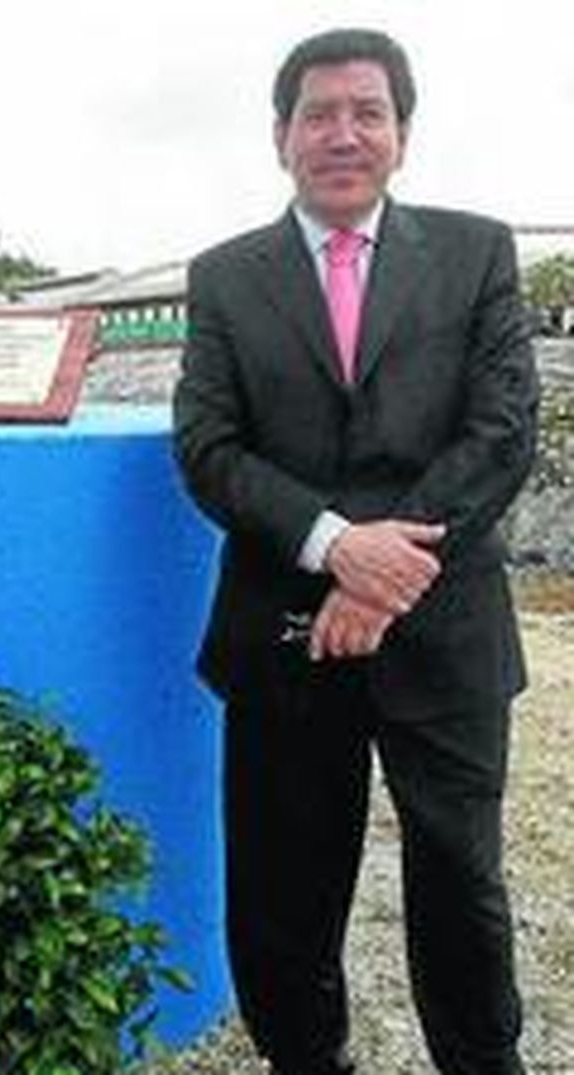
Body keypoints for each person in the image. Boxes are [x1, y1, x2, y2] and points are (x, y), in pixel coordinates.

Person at [174, 27, 536, 1075]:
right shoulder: (226, 278)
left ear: (402, 134)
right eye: (318, 113)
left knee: (461, 883)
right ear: (281, 136)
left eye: (365, 112)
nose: (343, 133)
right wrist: (336, 546)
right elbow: (207, 447)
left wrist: (383, 580)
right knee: (284, 895)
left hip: (444, 631)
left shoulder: (475, 254)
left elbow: (502, 430)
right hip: (285, 633)